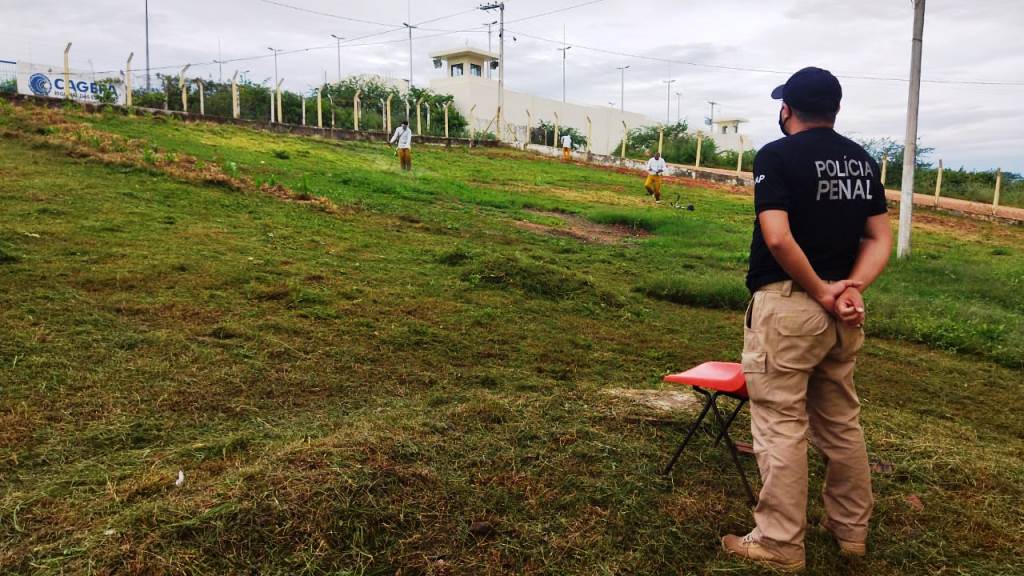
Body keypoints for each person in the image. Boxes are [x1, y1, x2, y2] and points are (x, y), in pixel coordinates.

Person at [721, 67, 892, 571]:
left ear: (787, 109)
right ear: (835, 111)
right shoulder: (862, 161)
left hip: (791, 305)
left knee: (779, 423)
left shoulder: (776, 155)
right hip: (843, 314)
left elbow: (776, 236)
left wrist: (820, 290)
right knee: (841, 420)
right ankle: (849, 530)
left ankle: (778, 543)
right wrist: (851, 290)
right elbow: (879, 239)